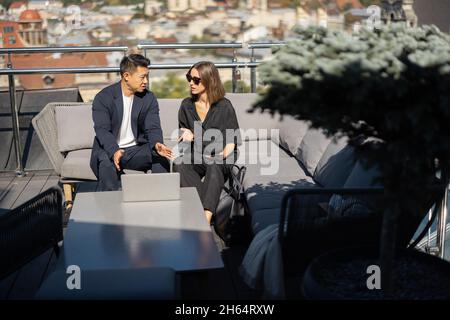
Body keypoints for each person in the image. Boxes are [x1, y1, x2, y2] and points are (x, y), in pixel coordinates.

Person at [90, 54, 172, 191]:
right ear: (126, 76)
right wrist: (114, 151)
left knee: (160, 158)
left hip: (137, 149)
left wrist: (157, 144)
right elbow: (102, 130)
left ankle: (161, 199)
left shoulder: (148, 98)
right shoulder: (104, 98)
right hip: (110, 149)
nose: (146, 81)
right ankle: (111, 208)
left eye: (147, 76)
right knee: (106, 163)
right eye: (142, 77)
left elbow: (153, 128)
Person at [173, 61, 241, 224]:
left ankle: (204, 219)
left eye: (196, 80)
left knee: (214, 164)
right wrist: (186, 136)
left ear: (209, 80)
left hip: (223, 152)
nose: (191, 83)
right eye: (189, 78)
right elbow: (184, 138)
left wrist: (220, 154)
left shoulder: (224, 106)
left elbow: (231, 141)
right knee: (180, 163)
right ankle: (210, 210)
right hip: (197, 153)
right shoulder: (186, 106)